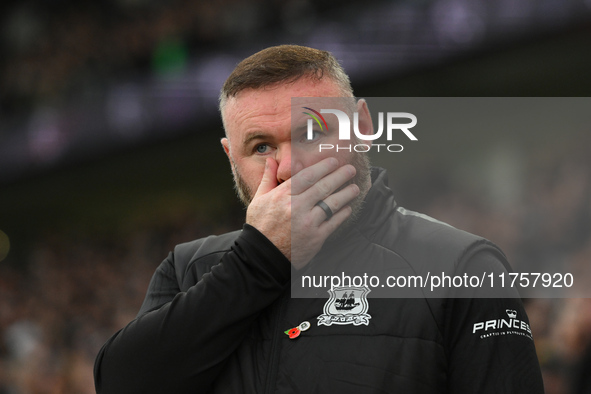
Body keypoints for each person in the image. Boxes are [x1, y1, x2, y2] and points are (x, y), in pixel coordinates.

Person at [94, 45, 544, 393]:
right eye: (261, 147)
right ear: (232, 159)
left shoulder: (461, 266)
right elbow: (119, 384)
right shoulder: (190, 268)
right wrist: (258, 262)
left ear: (363, 126)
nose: (289, 166)